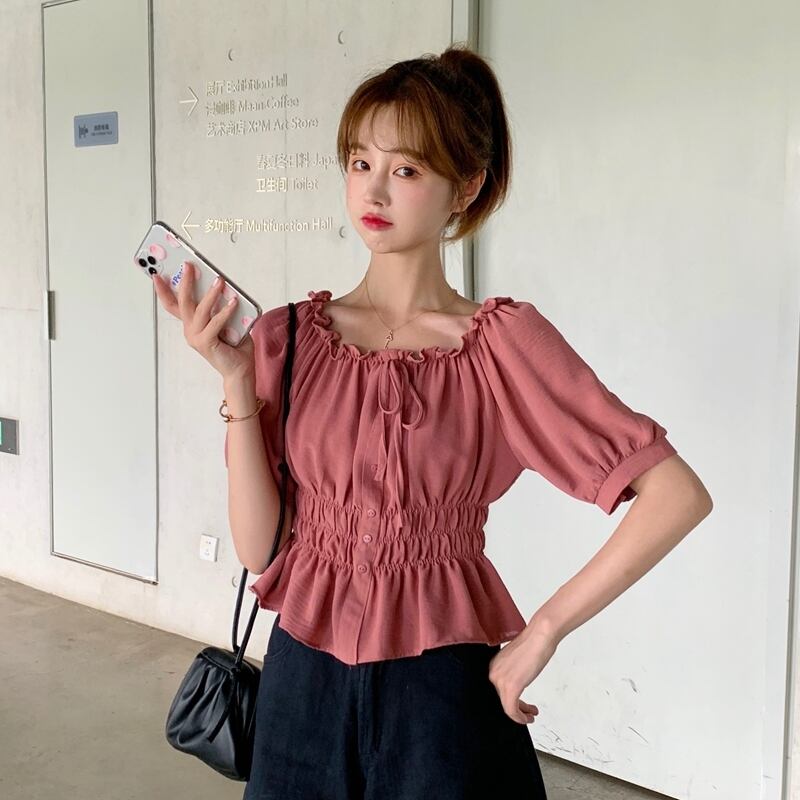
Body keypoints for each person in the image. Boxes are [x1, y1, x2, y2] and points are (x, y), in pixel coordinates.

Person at [154, 43, 713, 800]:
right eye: (359, 162)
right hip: (302, 682)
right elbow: (260, 549)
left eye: (407, 169)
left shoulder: (499, 346)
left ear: (465, 187)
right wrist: (235, 381)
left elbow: (676, 494)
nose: (373, 188)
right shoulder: (288, 339)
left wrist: (543, 632)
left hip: (439, 687)